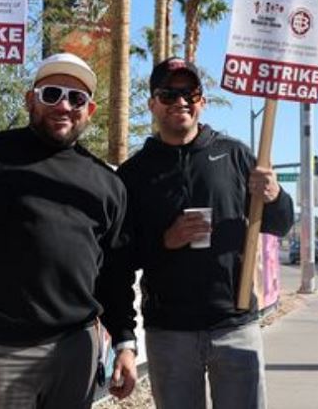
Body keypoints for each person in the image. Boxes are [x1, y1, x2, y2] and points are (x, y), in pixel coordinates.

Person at [0, 53, 135, 408]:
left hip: (76, 349)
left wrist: (125, 342)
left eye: (76, 98)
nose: (64, 105)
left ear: (89, 111)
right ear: (30, 99)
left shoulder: (108, 183)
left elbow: (115, 274)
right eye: (52, 94)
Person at [97, 57, 294, 409]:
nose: (180, 101)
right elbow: (119, 261)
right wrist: (165, 241)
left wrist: (275, 195)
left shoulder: (235, 155)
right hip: (169, 331)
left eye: (190, 92)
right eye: (168, 94)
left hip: (236, 325)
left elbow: (279, 224)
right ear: (152, 104)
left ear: (202, 100)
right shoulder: (133, 174)